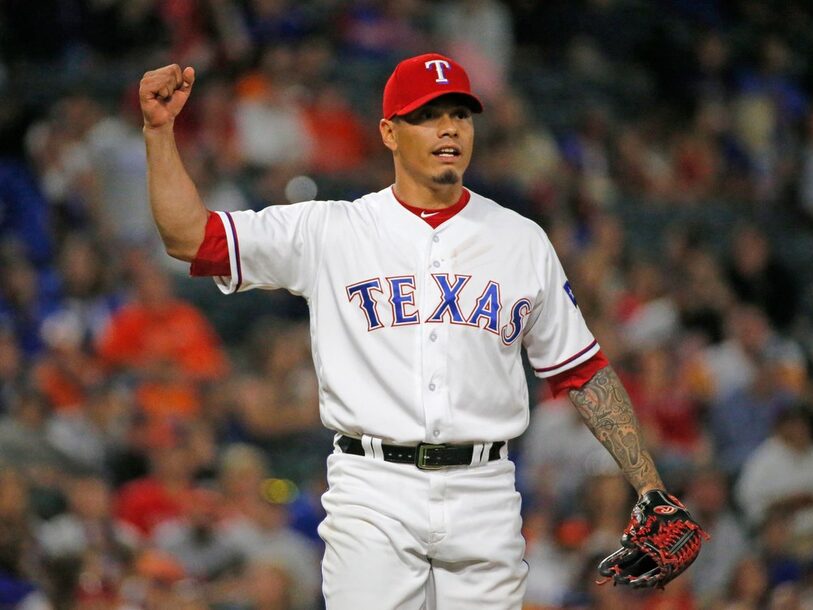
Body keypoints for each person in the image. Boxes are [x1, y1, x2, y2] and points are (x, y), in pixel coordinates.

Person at [139, 53, 688, 608]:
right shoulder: (332, 228)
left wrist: (649, 485)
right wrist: (160, 134)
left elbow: (583, 370)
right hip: (372, 490)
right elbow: (191, 239)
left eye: (460, 114)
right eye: (427, 115)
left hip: (484, 492)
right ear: (389, 133)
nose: (449, 127)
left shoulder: (521, 240)